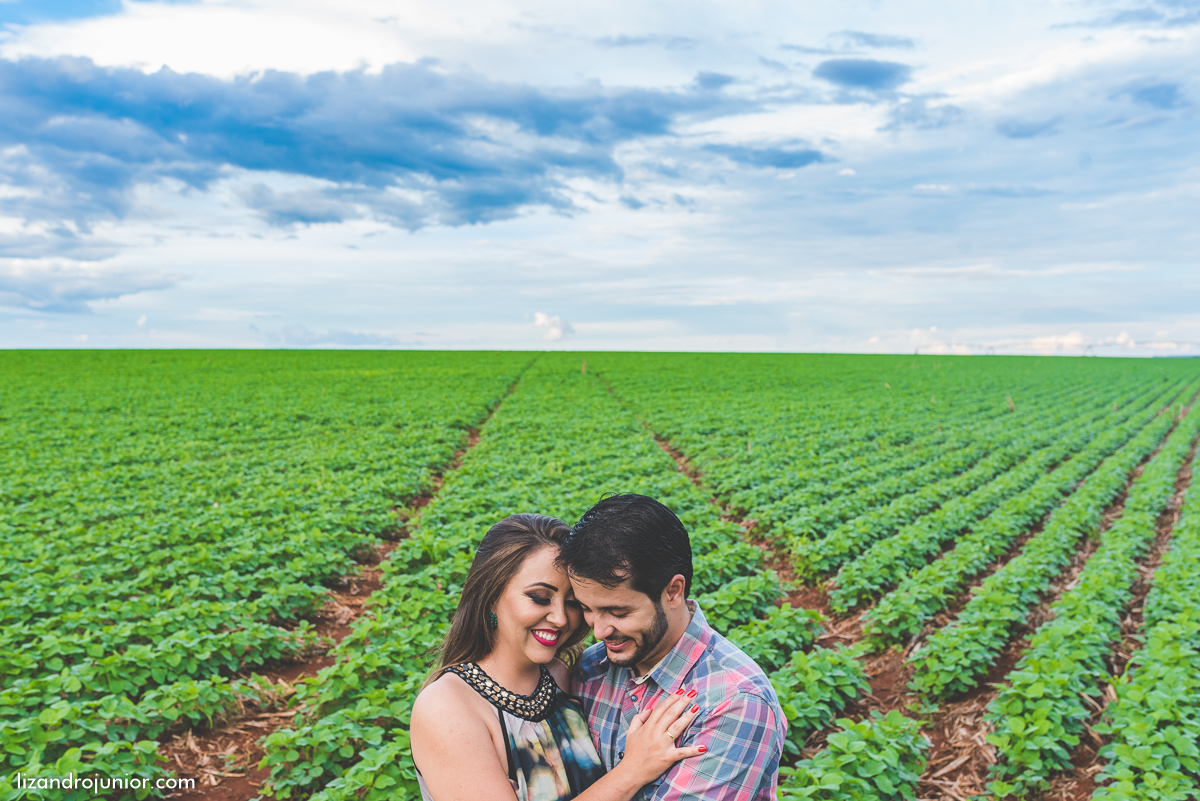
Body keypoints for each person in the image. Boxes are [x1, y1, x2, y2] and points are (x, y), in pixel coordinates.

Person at [411, 513, 707, 801]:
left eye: (573, 603)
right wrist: (632, 771)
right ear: (490, 595)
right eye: (539, 598)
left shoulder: (568, 676)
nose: (560, 618)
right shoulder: (447, 707)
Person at [558, 494, 787, 801]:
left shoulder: (735, 701)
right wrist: (632, 771)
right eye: (587, 608)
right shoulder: (590, 668)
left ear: (673, 591)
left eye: (618, 612)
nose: (599, 632)